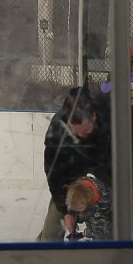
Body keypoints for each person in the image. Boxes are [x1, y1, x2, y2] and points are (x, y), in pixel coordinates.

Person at [37, 87, 111, 241]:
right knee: (53, 228)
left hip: (108, 164)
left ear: (94, 115)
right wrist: (65, 211)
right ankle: (42, 254)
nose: (81, 137)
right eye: (76, 133)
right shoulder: (57, 130)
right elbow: (54, 176)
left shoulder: (113, 112)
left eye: (86, 131)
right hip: (72, 167)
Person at [64, 173, 112, 241]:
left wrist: (84, 233)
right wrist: (72, 215)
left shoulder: (100, 207)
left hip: (107, 229)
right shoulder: (80, 187)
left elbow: (98, 231)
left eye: (79, 209)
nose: (78, 211)